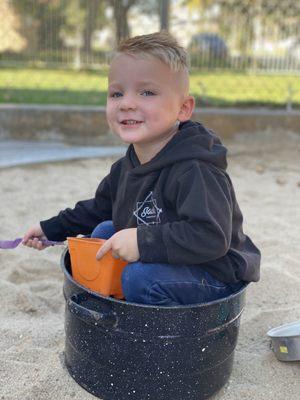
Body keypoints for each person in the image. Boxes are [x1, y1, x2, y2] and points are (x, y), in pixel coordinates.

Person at [23, 31, 260, 306]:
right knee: (103, 233)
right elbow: (99, 208)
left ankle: (170, 340)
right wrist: (50, 228)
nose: (127, 103)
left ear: (183, 109)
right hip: (170, 258)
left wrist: (141, 241)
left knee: (139, 278)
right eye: (117, 93)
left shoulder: (196, 169)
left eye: (147, 92)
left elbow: (210, 237)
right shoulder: (126, 167)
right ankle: (122, 303)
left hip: (212, 273)